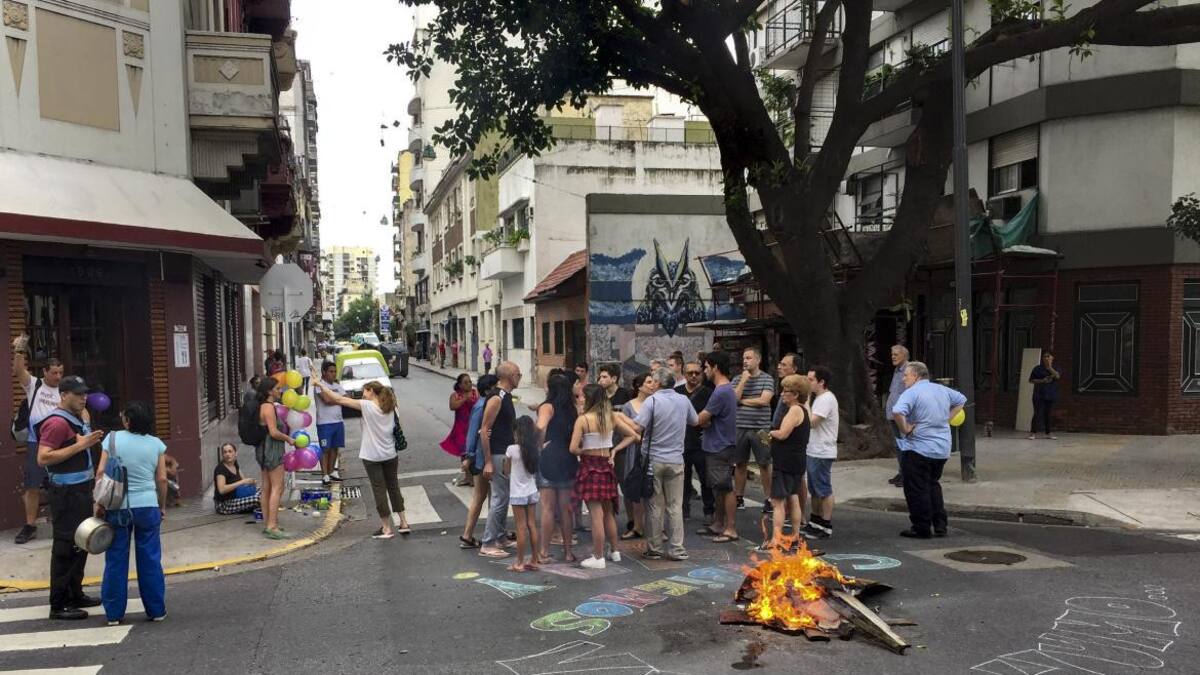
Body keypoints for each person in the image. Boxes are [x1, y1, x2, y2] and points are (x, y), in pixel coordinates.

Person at [36, 375, 105, 620]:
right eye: (77, 394)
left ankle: (75, 593)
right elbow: (43, 458)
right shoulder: (56, 423)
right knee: (65, 546)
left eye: (84, 393)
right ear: (63, 395)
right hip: (66, 494)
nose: (83, 397)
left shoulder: (78, 417)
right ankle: (59, 603)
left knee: (81, 542)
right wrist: (81, 445)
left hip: (80, 490)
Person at [96, 401, 168, 625]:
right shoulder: (156, 444)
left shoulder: (113, 439)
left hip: (118, 506)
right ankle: (156, 611)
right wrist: (161, 505)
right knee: (150, 559)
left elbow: (100, 472)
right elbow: (162, 479)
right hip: (147, 505)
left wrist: (99, 503)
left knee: (116, 560)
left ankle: (114, 614)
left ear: (128, 420)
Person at [318, 381, 410, 539]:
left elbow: (339, 399)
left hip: (372, 456)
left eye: (364, 391)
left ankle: (386, 528)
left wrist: (320, 386)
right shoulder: (391, 406)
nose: (362, 394)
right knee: (394, 487)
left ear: (371, 391)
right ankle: (404, 522)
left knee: (379, 489)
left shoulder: (367, 406)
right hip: (390, 454)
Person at [892, 361, 967, 539]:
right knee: (932, 484)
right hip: (941, 448)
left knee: (916, 488)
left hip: (919, 446)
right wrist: (947, 419)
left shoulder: (912, 393)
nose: (904, 379)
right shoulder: (941, 390)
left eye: (906, 375)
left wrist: (905, 429)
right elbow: (962, 400)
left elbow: (897, 412)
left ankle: (921, 526)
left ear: (916, 376)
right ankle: (940, 524)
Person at [628, 368, 697, 561]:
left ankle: (655, 548)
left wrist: (620, 418)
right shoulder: (684, 400)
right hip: (676, 460)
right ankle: (677, 548)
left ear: (658, 383)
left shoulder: (653, 401)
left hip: (654, 461)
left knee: (655, 506)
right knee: (675, 506)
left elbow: (638, 426)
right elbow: (695, 420)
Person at [571, 384, 640, 569]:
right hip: (607, 466)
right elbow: (634, 436)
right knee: (608, 512)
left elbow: (572, 448)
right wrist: (615, 450)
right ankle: (615, 551)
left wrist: (586, 450)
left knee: (596, 514)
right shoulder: (611, 417)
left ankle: (598, 556)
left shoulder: (583, 420)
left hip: (590, 467)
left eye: (583, 396)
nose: (580, 399)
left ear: (590, 398)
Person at [13, 342, 66, 545]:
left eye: (61, 372)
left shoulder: (65, 389)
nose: (58, 377)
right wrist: (19, 350)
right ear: (45, 372)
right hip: (37, 443)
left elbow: (80, 408)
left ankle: (61, 524)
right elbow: (19, 370)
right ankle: (30, 526)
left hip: (61, 444)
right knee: (32, 486)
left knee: (61, 485)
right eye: (54, 373)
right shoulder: (34, 384)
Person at [697, 351, 740, 543]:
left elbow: (701, 418)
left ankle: (730, 528)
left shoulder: (721, 391)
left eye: (706, 367)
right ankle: (718, 523)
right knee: (718, 487)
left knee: (724, 487)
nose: (704, 371)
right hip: (719, 443)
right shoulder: (724, 389)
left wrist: (695, 418)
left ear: (715, 367)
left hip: (719, 445)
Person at [535, 373, 578, 564]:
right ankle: (568, 552)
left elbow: (540, 427)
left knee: (547, 509)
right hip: (568, 459)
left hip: (550, 458)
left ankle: (544, 552)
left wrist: (538, 445)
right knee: (566, 509)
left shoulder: (547, 407)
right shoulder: (572, 409)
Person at [480, 362, 522, 558]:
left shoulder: (506, 396)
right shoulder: (496, 398)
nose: (520, 377)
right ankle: (488, 543)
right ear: (509, 376)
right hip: (497, 453)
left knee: (504, 497)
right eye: (518, 374)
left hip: (505, 453)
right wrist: (488, 461)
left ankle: (500, 536)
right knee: (499, 498)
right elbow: (484, 431)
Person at [766, 375, 811, 550]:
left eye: (786, 391)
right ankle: (795, 535)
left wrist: (771, 433)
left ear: (796, 394)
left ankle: (776, 538)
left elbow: (783, 433)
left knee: (778, 501)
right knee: (793, 497)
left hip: (785, 461)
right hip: (797, 461)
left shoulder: (794, 411)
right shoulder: (804, 410)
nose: (783, 395)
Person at [734, 347, 775, 514]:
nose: (745, 361)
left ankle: (769, 498)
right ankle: (738, 497)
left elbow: (764, 401)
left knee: (765, 462)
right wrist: (743, 381)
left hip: (762, 427)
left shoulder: (767, 379)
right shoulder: (737, 379)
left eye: (749, 358)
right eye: (744, 358)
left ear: (758, 360)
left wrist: (742, 401)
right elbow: (733, 399)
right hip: (740, 426)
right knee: (739, 463)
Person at [460, 374, 498, 549]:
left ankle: (495, 531)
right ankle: (468, 534)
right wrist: (468, 456)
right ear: (489, 389)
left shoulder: (486, 404)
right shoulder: (482, 406)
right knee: (482, 495)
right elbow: (472, 432)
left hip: (484, 456)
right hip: (481, 458)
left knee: (490, 496)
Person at [255, 377, 295, 539]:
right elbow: (273, 432)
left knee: (267, 487)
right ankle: (272, 525)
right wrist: (288, 439)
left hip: (263, 449)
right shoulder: (268, 408)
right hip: (272, 450)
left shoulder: (262, 406)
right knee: (277, 488)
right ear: (269, 391)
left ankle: (268, 524)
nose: (280, 391)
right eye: (277, 388)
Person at [616, 372, 655, 540]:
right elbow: (624, 430)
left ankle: (653, 526)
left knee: (651, 489)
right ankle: (635, 523)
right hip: (633, 450)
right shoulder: (628, 406)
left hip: (652, 450)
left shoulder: (655, 403)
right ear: (639, 386)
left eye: (654, 382)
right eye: (649, 382)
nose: (652, 385)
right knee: (633, 488)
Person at [803, 365, 839, 541]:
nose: (807, 383)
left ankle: (825, 524)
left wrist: (806, 403)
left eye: (811, 380)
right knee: (815, 488)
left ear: (821, 382)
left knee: (823, 488)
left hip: (822, 450)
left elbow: (812, 422)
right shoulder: (819, 398)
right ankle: (815, 521)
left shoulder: (826, 399)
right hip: (813, 449)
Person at [676, 361, 714, 522]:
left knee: (706, 479)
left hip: (701, 443)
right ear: (684, 374)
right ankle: (684, 511)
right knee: (682, 480)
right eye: (690, 373)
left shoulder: (709, 393)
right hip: (681, 443)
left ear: (702, 374)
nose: (693, 376)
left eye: (697, 373)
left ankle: (709, 511)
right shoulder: (676, 392)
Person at [506, 416, 541, 572]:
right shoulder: (534, 449)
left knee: (520, 527)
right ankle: (534, 559)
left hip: (517, 493)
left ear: (518, 433)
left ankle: (519, 562)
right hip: (532, 491)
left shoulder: (511, 450)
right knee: (532, 525)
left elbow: (506, 471)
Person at [442, 374, 479, 486]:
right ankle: (469, 478)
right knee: (464, 454)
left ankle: (475, 477)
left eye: (470, 382)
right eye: (466, 382)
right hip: (461, 428)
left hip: (473, 427)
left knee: (473, 453)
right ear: (459, 385)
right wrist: (464, 399)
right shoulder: (455, 395)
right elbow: (452, 406)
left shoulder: (475, 393)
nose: (469, 384)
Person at [313, 362, 346, 486]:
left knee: (335, 447)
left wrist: (338, 399)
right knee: (325, 449)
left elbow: (347, 398)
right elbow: (326, 400)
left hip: (338, 421)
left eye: (334, 371)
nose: (333, 374)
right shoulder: (319, 385)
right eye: (331, 371)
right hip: (324, 423)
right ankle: (325, 475)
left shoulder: (338, 386)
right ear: (324, 372)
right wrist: (339, 399)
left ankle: (332, 472)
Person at [885, 346, 910, 487]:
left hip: (903, 415)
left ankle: (907, 474)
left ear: (904, 356)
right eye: (892, 354)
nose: (893, 357)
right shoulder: (897, 370)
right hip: (893, 414)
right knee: (898, 445)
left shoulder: (909, 370)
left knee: (905, 444)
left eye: (896, 354)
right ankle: (901, 472)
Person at [213, 443, 259, 515]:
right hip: (224, 504)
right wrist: (242, 482)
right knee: (257, 499)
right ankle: (262, 509)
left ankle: (257, 506)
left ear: (235, 453)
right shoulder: (220, 469)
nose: (228, 454)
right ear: (222, 455)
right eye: (225, 452)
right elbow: (222, 490)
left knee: (263, 491)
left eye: (230, 451)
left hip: (237, 495)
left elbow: (243, 480)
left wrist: (251, 482)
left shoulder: (234, 463)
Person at [1028, 351, 1061, 440]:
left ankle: (1048, 433)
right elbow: (1031, 380)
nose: (1046, 358)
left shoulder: (1056, 367)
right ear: (1042, 359)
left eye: (1048, 357)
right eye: (1045, 357)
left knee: (1048, 414)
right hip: (1038, 394)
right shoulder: (1037, 368)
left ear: (1052, 358)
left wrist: (1049, 367)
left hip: (1050, 394)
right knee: (1037, 413)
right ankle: (1032, 433)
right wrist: (1042, 381)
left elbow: (1057, 376)